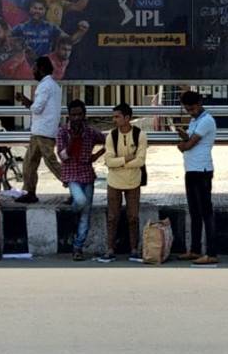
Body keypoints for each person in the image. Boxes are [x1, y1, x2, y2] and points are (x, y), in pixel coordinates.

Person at [56, 99, 106, 261]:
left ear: (84, 115)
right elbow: (62, 156)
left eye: (79, 114)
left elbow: (108, 141)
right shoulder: (63, 132)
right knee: (81, 201)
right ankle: (72, 211)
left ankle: (78, 247)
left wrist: (97, 155)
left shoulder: (90, 132)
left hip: (87, 174)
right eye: (73, 115)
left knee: (86, 214)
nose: (76, 118)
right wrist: (72, 140)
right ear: (69, 116)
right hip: (71, 175)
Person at [99, 102, 148, 262]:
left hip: (133, 182)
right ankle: (110, 249)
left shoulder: (140, 135)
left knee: (133, 216)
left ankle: (134, 249)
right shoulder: (111, 136)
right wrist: (127, 159)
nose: (114, 120)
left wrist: (118, 163)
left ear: (127, 118)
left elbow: (140, 161)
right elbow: (108, 161)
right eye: (114, 116)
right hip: (114, 182)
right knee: (112, 217)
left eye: (117, 116)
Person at [175, 90, 218, 265]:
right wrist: (184, 137)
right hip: (191, 170)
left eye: (192, 108)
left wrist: (182, 144)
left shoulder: (207, 120)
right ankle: (194, 250)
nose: (190, 112)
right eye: (187, 109)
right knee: (194, 212)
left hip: (202, 170)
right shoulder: (195, 120)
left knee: (206, 212)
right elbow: (191, 139)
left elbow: (190, 145)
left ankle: (211, 253)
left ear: (200, 103)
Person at [15, 56, 63, 203]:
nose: (32, 71)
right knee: (30, 162)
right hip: (42, 130)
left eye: (34, 68)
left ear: (41, 69)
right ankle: (30, 192)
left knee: (50, 162)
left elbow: (37, 108)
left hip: (43, 131)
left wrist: (24, 101)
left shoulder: (44, 86)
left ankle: (74, 184)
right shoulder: (53, 85)